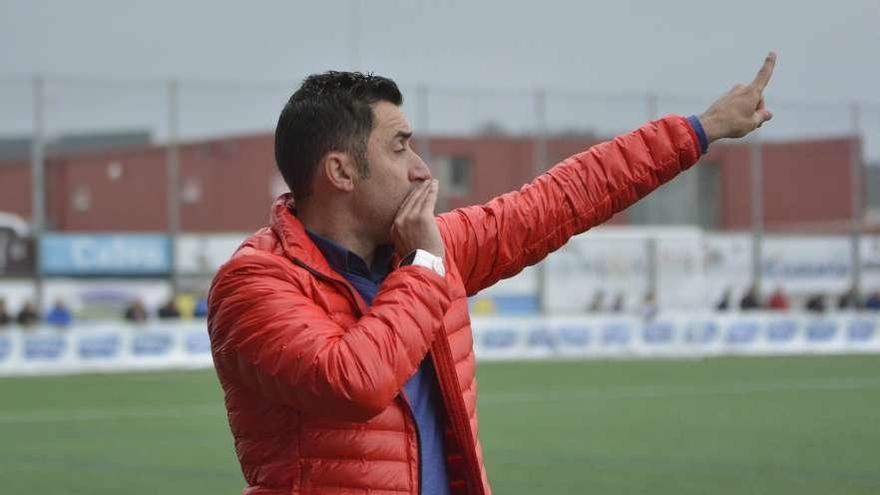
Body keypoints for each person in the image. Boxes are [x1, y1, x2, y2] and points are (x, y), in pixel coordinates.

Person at [208, 53, 777, 494]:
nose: (422, 169)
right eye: (400, 147)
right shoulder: (255, 285)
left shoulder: (426, 250)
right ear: (340, 170)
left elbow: (561, 199)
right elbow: (354, 382)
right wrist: (426, 263)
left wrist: (696, 132)